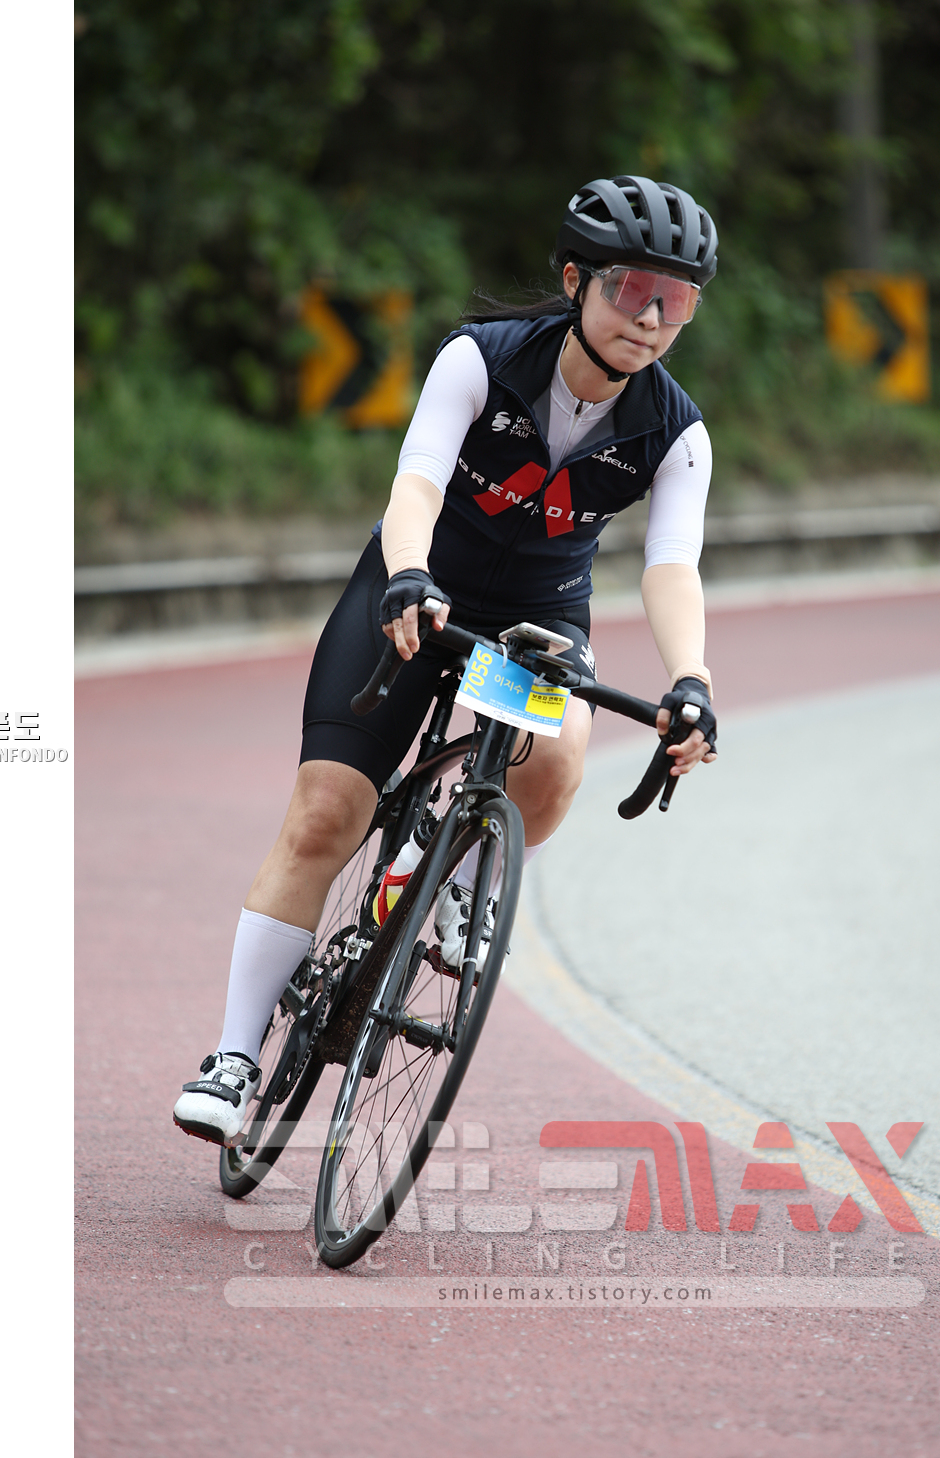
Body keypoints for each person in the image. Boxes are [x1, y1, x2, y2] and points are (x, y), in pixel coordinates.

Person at [173, 175, 722, 1145]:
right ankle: (233, 1056)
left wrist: (692, 681)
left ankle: (464, 880)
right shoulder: (481, 359)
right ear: (575, 281)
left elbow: (671, 566)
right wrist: (409, 576)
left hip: (530, 626)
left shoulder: (675, 431)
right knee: (325, 814)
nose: (651, 319)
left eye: (675, 301)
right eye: (632, 289)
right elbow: (418, 482)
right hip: (413, 594)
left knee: (558, 756)